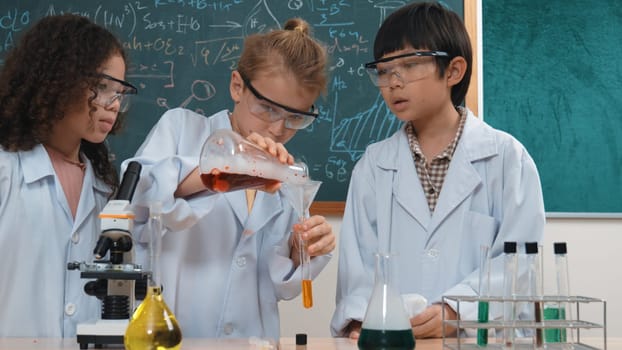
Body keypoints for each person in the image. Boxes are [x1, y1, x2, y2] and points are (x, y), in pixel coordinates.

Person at [331, 2, 545, 339]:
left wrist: (456, 309)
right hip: (395, 340)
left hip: (477, 340)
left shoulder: (506, 159)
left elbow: (519, 263)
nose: (393, 82)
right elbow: (357, 268)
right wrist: (361, 320)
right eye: (384, 70)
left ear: (454, 71)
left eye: (410, 64)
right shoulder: (374, 166)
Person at [121, 18, 336, 341]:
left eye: (295, 117)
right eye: (267, 108)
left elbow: (278, 286)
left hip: (254, 340)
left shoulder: (288, 176)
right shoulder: (182, 130)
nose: (278, 129)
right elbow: (139, 201)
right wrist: (231, 167)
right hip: (177, 337)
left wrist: (299, 251)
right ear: (237, 86)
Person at [0, 14, 137, 337]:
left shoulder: (105, 190)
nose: (113, 104)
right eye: (102, 87)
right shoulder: (7, 172)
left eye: (119, 92)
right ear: (57, 79)